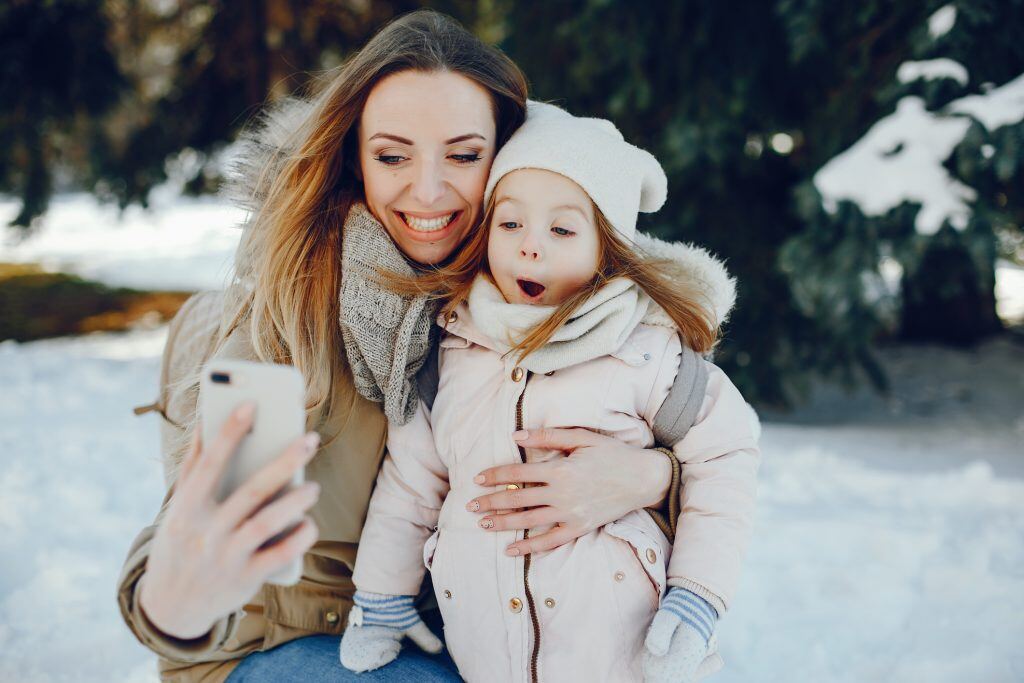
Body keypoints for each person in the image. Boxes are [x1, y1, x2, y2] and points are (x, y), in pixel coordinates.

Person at [116, 11, 720, 683]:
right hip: (282, 646)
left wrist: (650, 477)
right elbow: (206, 537)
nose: (427, 190)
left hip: (472, 639)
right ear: (355, 161)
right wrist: (174, 601)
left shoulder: (565, 307)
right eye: (393, 155)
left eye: (462, 155)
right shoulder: (290, 324)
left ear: (509, 160)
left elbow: (715, 461)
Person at [337, 102, 761, 683]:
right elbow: (410, 484)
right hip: (484, 658)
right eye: (510, 224)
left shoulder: (648, 352)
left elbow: (724, 460)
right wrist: (382, 598)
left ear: (607, 248)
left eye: (562, 229)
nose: (530, 246)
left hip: (622, 657)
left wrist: (697, 597)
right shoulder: (452, 349)